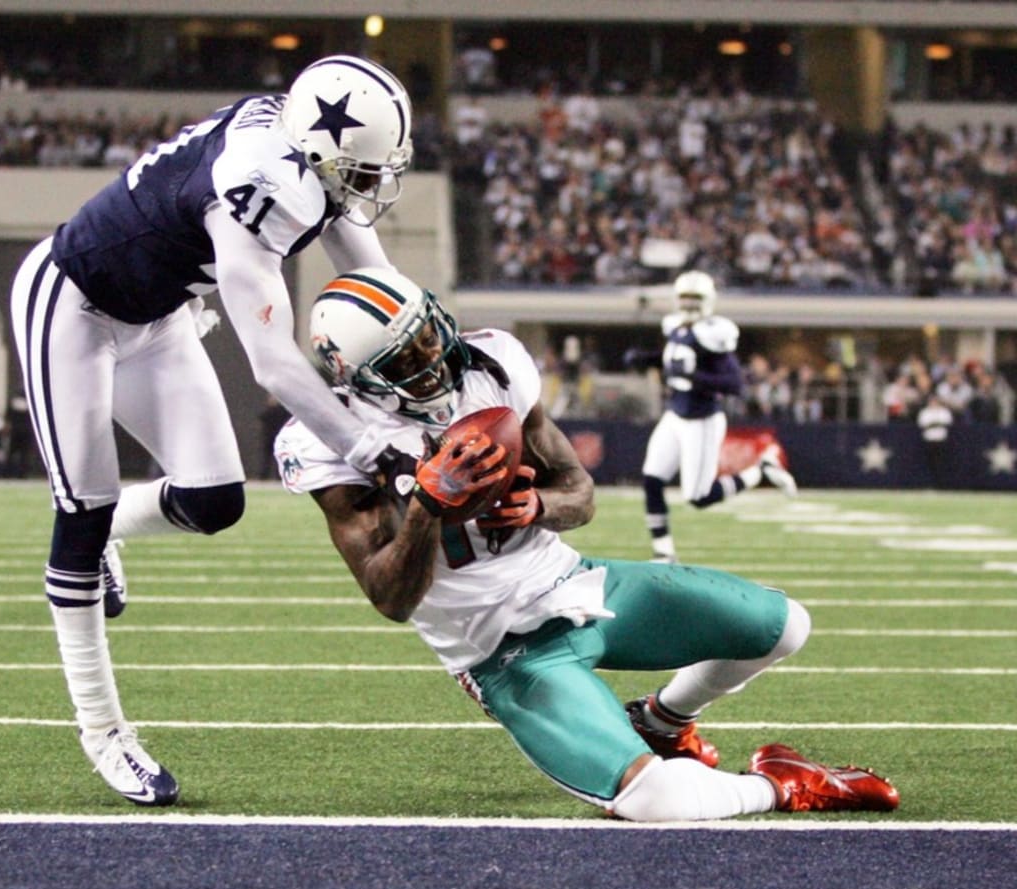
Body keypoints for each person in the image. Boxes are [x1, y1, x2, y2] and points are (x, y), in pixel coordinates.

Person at [273, 267, 899, 822]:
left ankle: (663, 722)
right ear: (358, 379)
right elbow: (389, 597)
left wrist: (541, 505)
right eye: (407, 358)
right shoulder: (330, 440)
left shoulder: (490, 366)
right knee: (657, 802)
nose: (434, 356)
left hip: (576, 582)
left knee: (786, 624)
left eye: (429, 333)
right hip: (500, 649)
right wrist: (426, 509)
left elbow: (579, 490)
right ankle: (783, 785)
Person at [9, 55, 417, 807]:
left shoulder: (302, 151)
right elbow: (274, 366)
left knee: (214, 500)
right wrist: (372, 448)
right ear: (321, 153)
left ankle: (110, 539)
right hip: (73, 304)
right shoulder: (259, 187)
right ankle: (102, 731)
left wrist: (429, 358)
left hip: (156, 315)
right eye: (361, 170)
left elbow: (379, 285)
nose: (370, 186)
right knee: (82, 510)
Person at [623, 270, 798, 563]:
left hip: (701, 420)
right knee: (652, 479)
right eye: (685, 297)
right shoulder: (675, 327)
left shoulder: (715, 334)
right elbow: (672, 361)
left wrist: (694, 376)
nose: (689, 304)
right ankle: (663, 551)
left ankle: (760, 471)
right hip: (675, 415)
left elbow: (734, 384)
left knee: (699, 497)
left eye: (696, 298)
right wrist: (646, 359)